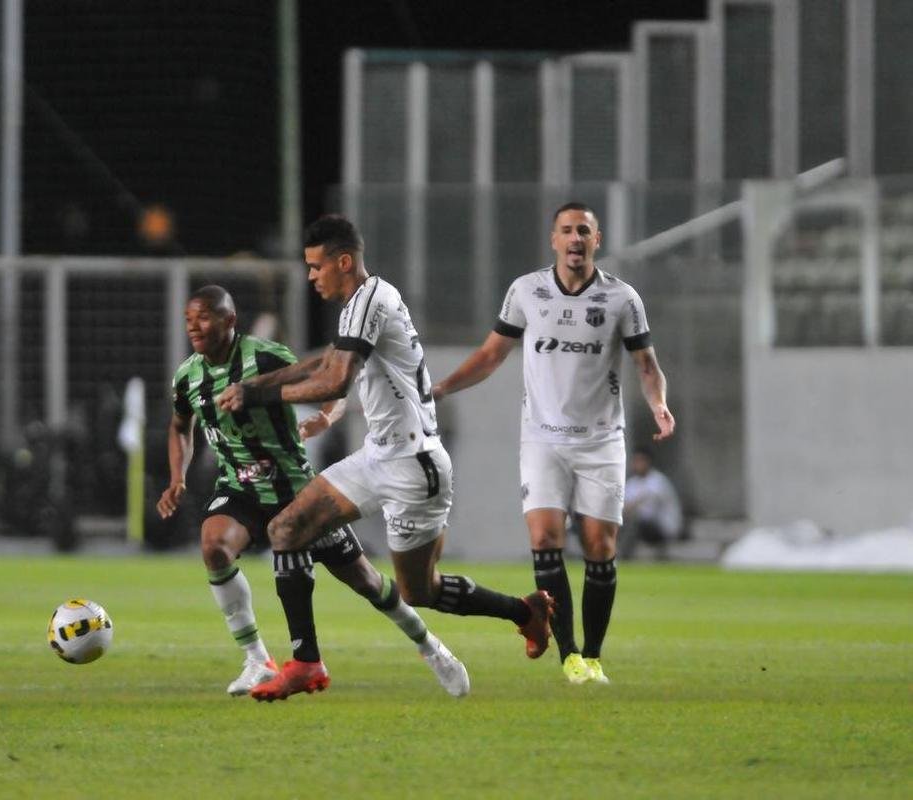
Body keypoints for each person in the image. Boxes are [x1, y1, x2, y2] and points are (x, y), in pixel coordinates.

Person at [219, 215, 554, 701]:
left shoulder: (371, 299)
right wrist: (256, 384)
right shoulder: (360, 304)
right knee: (286, 529)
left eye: (316, 267)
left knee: (420, 590)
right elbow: (323, 362)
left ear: (344, 261)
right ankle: (305, 662)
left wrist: (260, 398)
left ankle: (524, 612)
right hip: (379, 456)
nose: (311, 277)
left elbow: (334, 381)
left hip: (415, 468)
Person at [159, 285, 470, 697]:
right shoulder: (188, 377)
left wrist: (326, 416)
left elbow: (332, 378)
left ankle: (429, 645)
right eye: (188, 319)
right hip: (240, 487)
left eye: (203, 317)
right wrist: (177, 477)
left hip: (295, 489)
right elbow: (181, 426)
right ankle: (257, 660)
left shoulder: (265, 357)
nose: (194, 326)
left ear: (229, 320)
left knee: (366, 582)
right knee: (214, 546)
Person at [433, 201, 675, 685]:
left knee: (598, 546)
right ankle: (568, 655)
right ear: (554, 240)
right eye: (567, 230)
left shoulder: (622, 299)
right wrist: (441, 388)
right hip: (542, 439)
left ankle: (594, 653)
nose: (575, 238)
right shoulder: (526, 291)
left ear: (596, 240)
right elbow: (490, 355)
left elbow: (646, 364)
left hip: (602, 441)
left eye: (584, 230)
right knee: (544, 538)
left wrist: (660, 405)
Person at [621, 446, 683, 560]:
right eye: (636, 461)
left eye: (641, 461)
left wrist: (628, 510)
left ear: (648, 462)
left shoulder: (658, 481)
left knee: (634, 523)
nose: (637, 464)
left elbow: (646, 511)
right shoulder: (632, 483)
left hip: (663, 528)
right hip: (641, 526)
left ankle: (623, 556)